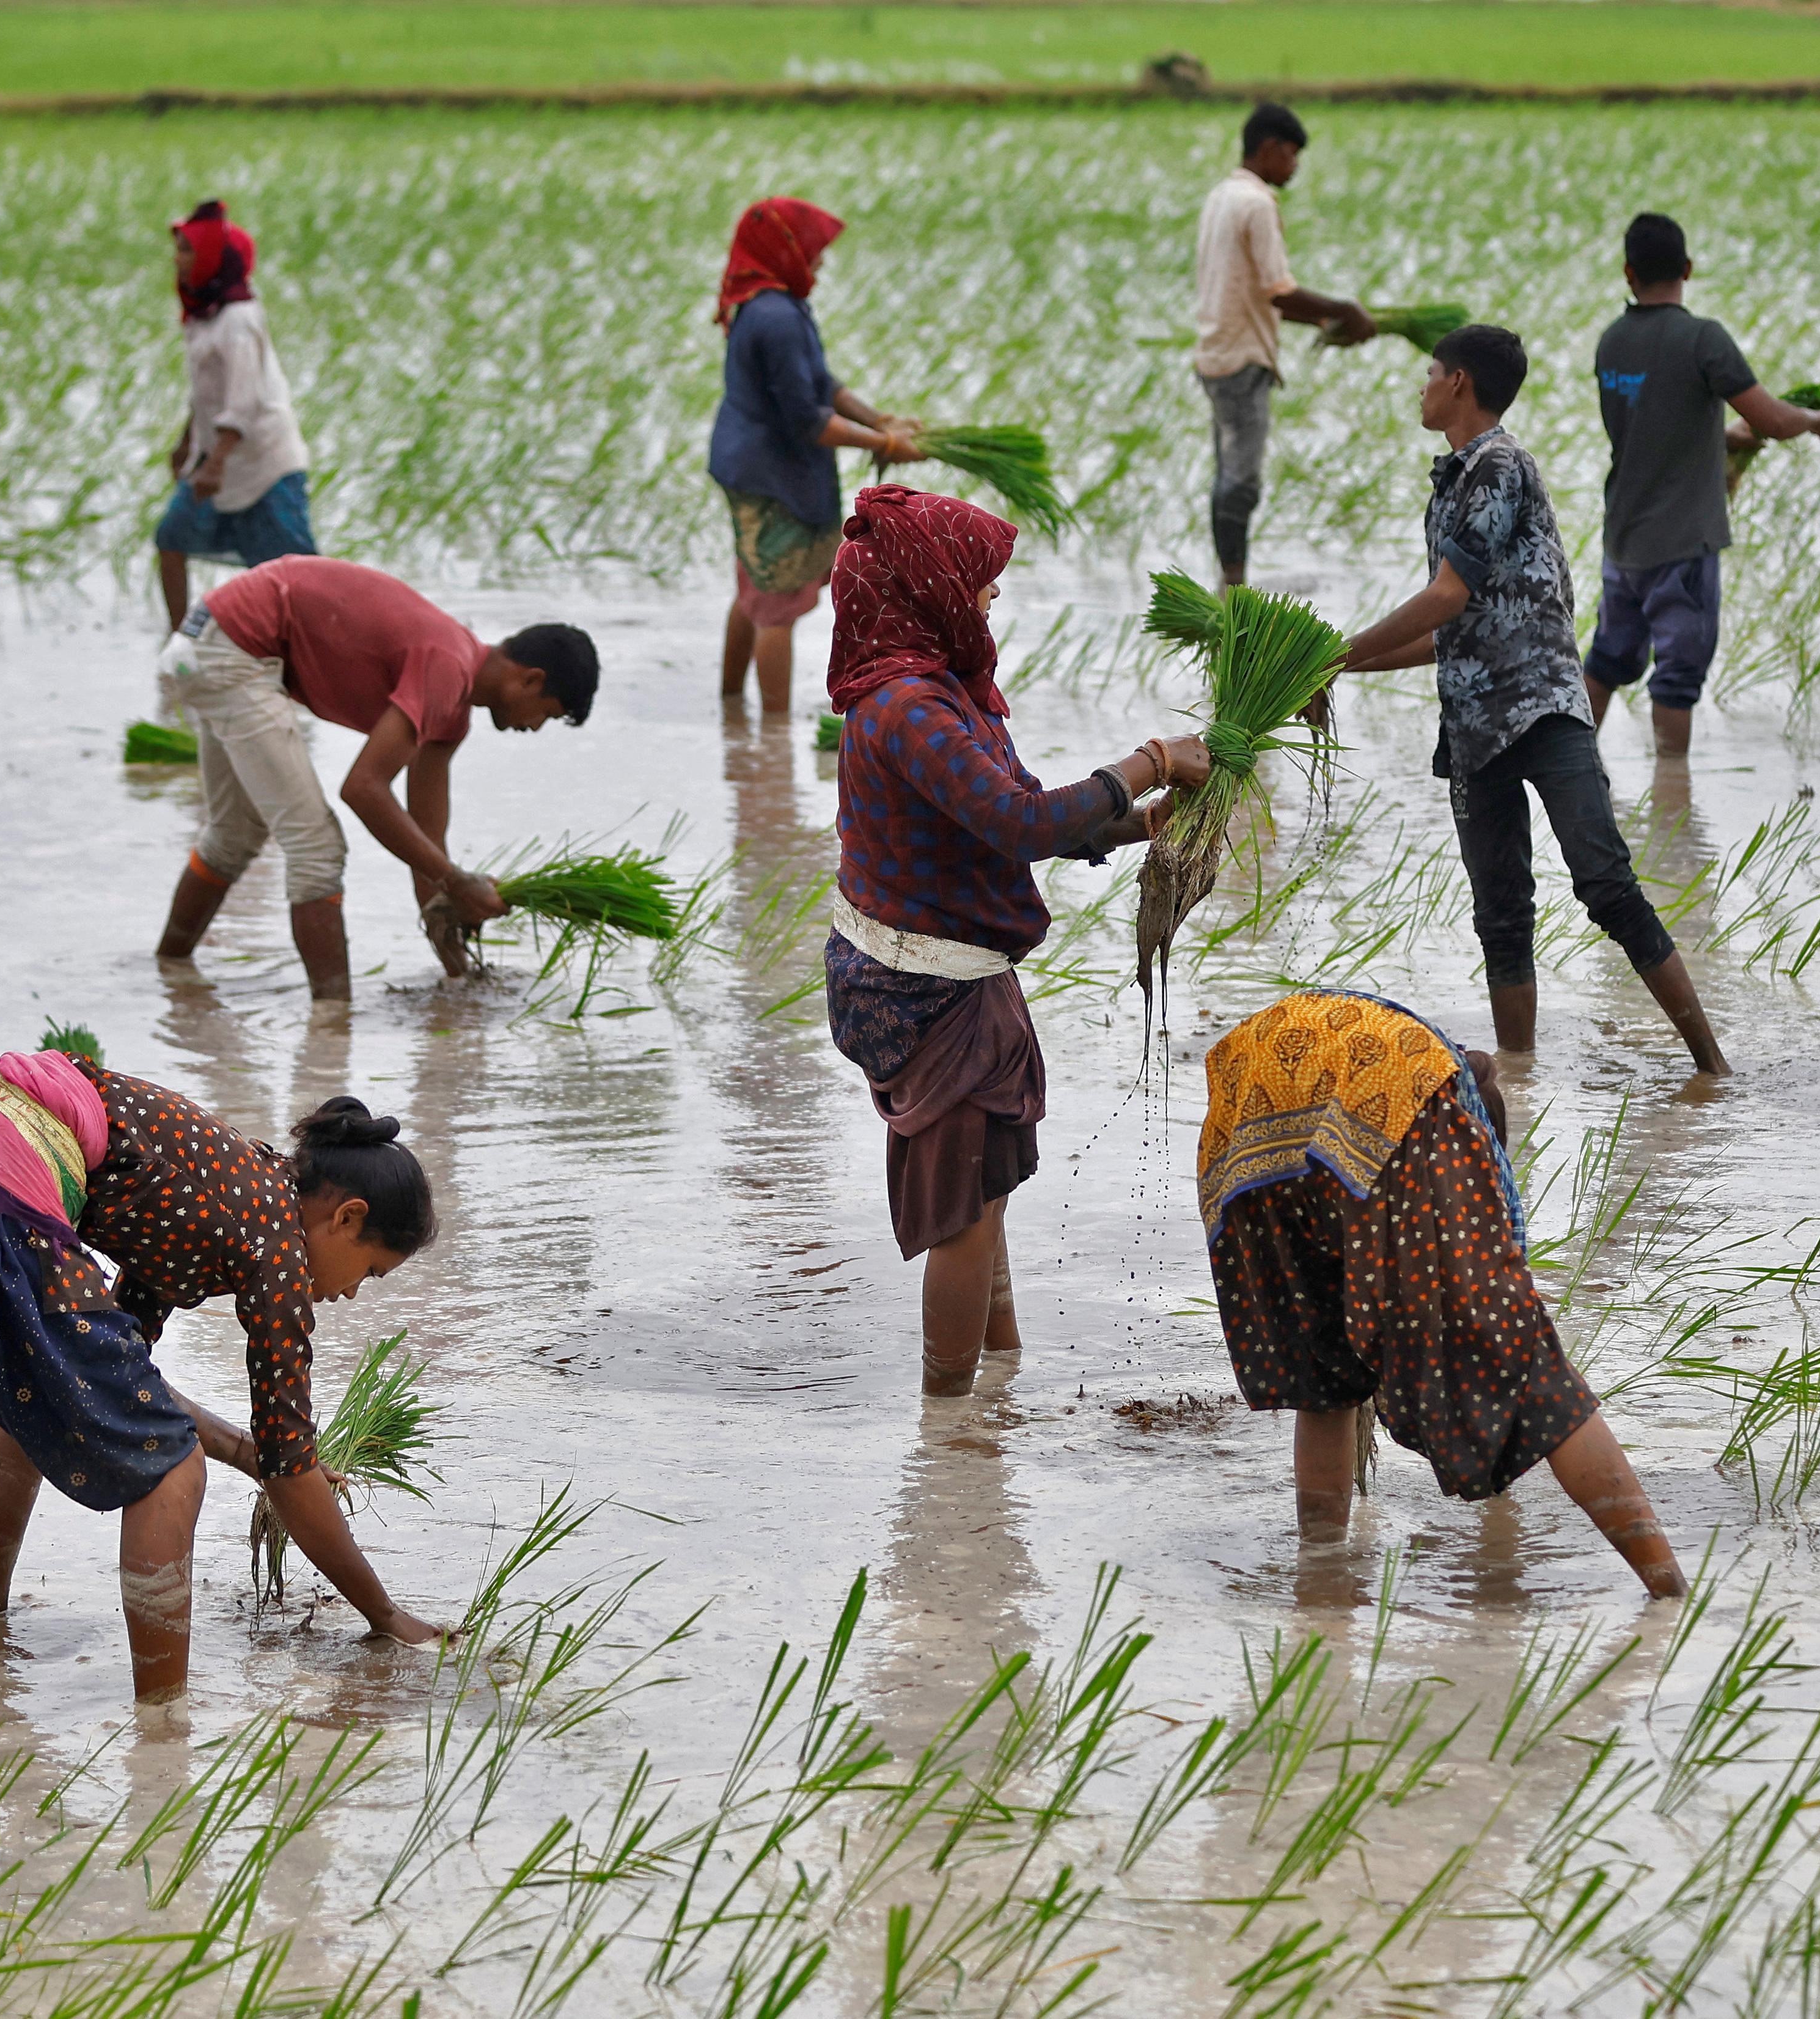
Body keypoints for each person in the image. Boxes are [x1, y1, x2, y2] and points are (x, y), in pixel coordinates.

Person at [0, 1054, 449, 1701]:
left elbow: (121, 1381)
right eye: (369, 1272)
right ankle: (162, 1725)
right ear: (348, 1218)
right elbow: (291, 1469)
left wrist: (249, 1455)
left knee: (44, 1390)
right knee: (172, 1467)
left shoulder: (226, 1194)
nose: (354, 1294)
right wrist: (386, 1617)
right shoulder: (277, 1244)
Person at [821, 484, 1212, 1395]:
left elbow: (1031, 807)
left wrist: (1136, 822)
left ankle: (998, 1378)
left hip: (941, 968)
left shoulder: (946, 692)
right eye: (981, 582)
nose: (992, 597)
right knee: (964, 1208)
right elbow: (1013, 821)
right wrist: (1149, 758)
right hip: (920, 986)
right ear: (930, 588)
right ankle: (950, 1422)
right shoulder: (905, 708)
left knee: (983, 1183)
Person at [1334, 325, 1730, 1075]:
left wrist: (1339, 652)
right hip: (1475, 724)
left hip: (1543, 710)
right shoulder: (1451, 482)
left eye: (1429, 373)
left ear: (1459, 384)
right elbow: (1456, 628)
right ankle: (1519, 1080)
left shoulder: (1498, 464)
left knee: (1606, 883)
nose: (1421, 386)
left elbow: (1445, 596)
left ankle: (1713, 1068)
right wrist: (1339, 671)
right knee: (1502, 917)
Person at [1198, 991, 1686, 1595]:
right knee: (1529, 1363)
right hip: (1375, 1090)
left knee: (1324, 1379)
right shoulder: (1449, 1106)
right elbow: (1500, 1285)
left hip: (1247, 1106)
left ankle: (1321, 1578)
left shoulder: (1430, 1056)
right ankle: (1669, 1590)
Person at [152, 554, 600, 1002]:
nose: (535, 727)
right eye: (547, 713)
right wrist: (459, 882)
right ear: (530, 680)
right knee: (317, 849)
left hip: (210, 639)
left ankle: (169, 968)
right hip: (236, 646)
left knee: (235, 834)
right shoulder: (447, 665)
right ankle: (332, 1023)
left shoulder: (452, 714)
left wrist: (458, 972)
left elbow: (426, 845)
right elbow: (363, 788)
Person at [1585, 211, 1820, 757]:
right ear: (1689, 268)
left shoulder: (1612, 342)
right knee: (1677, 676)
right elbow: (1772, 419)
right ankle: (1671, 792)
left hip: (1623, 539)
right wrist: (1816, 420)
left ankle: (1572, 767)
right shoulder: (1703, 339)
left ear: (1628, 273)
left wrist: (1724, 436)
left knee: (1607, 661)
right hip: (1683, 544)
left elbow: (1651, 424)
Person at [710, 196, 920, 714]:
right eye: (814, 250)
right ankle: (774, 734)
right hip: (767, 473)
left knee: (754, 589)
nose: (821, 261)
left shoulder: (775, 302)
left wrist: (878, 421)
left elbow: (820, 383)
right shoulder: (775, 315)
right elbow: (808, 419)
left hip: (755, 463)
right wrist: (887, 445)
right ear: (784, 249)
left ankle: (731, 709)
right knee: (775, 607)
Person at [1191, 101, 1378, 586]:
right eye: (1291, 155)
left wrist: (1322, 321)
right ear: (1270, 148)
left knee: (1227, 478)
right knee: (1240, 483)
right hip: (1241, 358)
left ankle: (1228, 582)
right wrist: (1345, 310)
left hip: (1216, 352)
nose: (1293, 167)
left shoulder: (1223, 195)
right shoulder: (1256, 204)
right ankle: (1233, 587)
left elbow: (1263, 296)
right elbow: (1279, 290)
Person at [154, 200, 317, 633]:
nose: (178, 259)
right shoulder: (203, 316)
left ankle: (315, 648)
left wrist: (218, 461)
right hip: (214, 458)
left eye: (187, 250)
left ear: (212, 260)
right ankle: (180, 638)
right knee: (171, 538)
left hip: (264, 462)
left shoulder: (239, 319)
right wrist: (187, 441)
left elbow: (244, 398)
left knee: (295, 575)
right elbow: (208, 392)